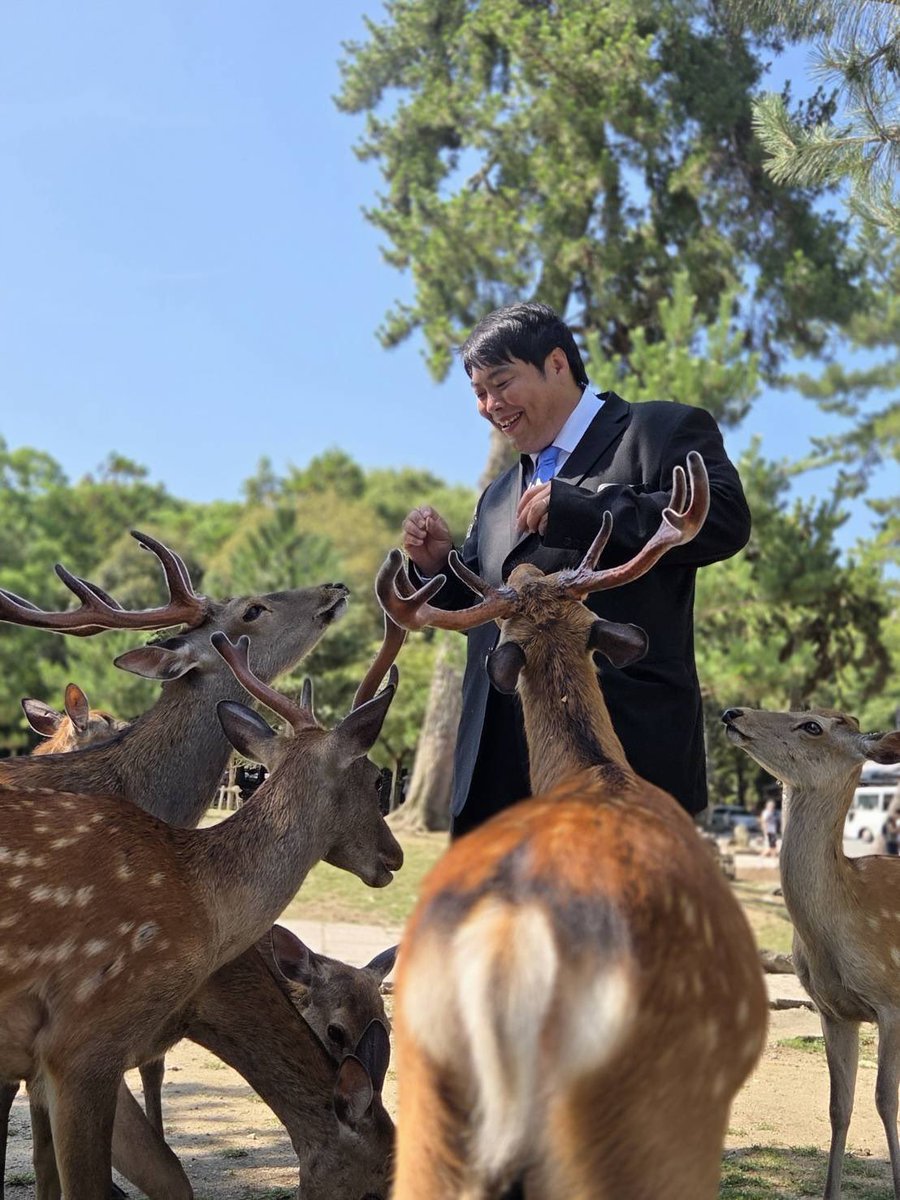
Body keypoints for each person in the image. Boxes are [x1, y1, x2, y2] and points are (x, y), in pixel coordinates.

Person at [402, 302, 751, 838]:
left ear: (558, 364)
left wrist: (586, 511)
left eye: (501, 382)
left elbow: (725, 518)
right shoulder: (497, 494)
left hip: (623, 770)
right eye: (478, 393)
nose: (489, 404)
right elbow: (485, 609)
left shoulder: (661, 429)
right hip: (496, 786)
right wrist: (441, 569)